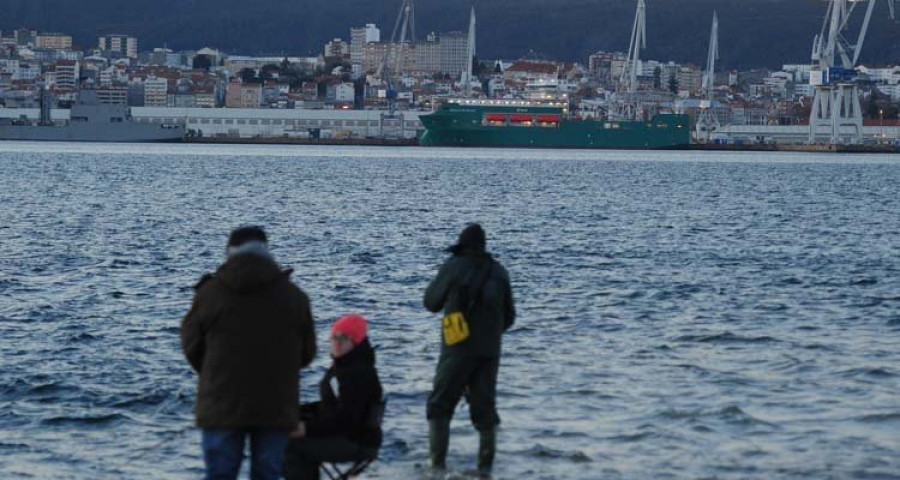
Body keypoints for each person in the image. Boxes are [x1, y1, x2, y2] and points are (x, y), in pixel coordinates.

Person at [181, 226, 317, 480]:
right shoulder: (294, 298)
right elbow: (307, 353)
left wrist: (212, 372)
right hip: (275, 405)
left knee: (220, 474)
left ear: (230, 252)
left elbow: (191, 345)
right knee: (267, 474)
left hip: (221, 403)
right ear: (267, 252)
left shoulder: (210, 295)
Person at [423, 223, 516, 475]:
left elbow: (430, 302)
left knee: (439, 406)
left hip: (457, 348)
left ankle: (437, 469)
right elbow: (510, 318)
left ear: (461, 245)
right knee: (485, 413)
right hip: (489, 352)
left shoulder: (453, 266)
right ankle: (485, 470)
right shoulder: (500, 271)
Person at [283, 313, 384, 480]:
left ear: (355, 342)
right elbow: (332, 407)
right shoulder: (346, 365)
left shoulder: (356, 373)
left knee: (292, 445)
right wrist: (298, 414)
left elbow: (347, 419)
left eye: (343, 338)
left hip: (357, 442)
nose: (337, 342)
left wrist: (306, 429)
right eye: (333, 337)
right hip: (351, 435)